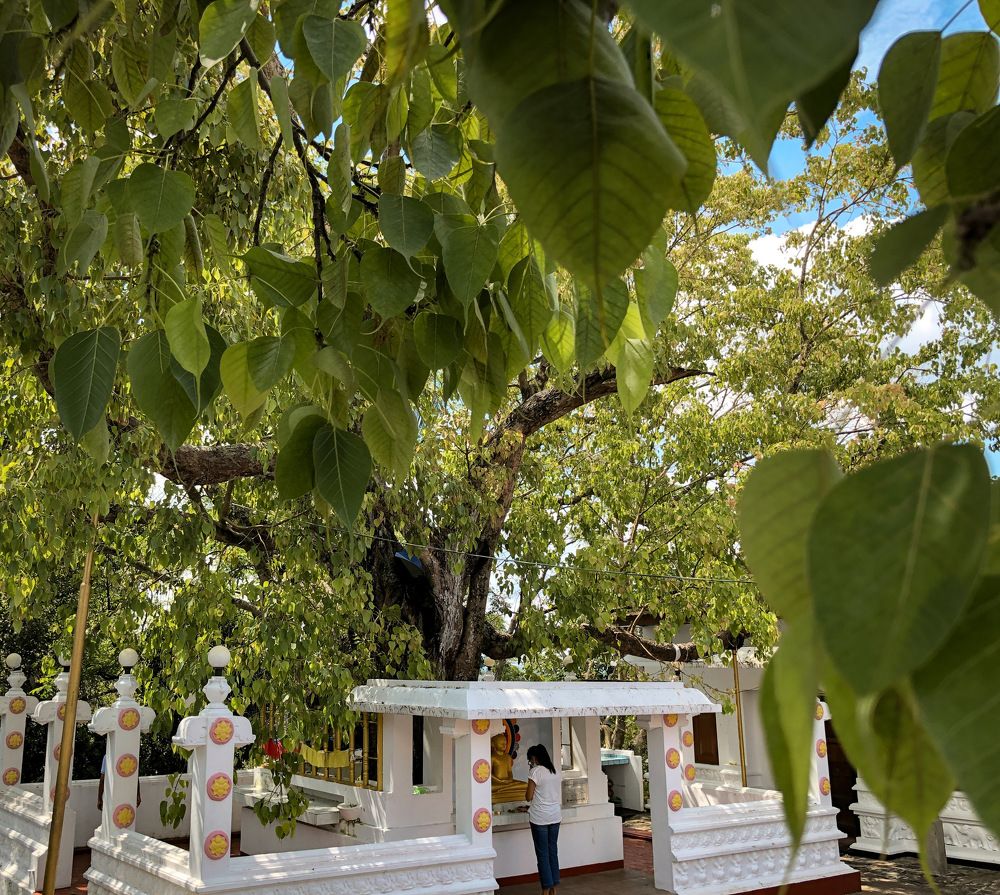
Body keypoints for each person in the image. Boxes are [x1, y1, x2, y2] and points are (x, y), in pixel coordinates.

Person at [525, 744, 561, 895]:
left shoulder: (535, 772)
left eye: (530, 760)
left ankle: (545, 890)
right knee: (552, 851)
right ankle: (554, 889)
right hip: (555, 816)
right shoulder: (555, 771)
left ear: (534, 758)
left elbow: (528, 797)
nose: (530, 762)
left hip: (540, 817)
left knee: (542, 854)